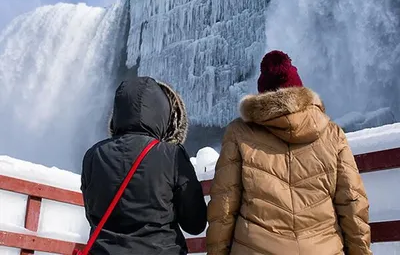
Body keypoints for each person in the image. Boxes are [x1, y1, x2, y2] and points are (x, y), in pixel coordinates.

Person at [207, 50, 372, 255]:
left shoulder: (239, 133)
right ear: (300, 90)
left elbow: (224, 205)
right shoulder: (331, 132)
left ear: (262, 93)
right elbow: (352, 202)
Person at [81, 76, 207, 255]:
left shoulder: (93, 155)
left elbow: (92, 215)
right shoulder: (172, 155)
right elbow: (195, 223)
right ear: (163, 113)